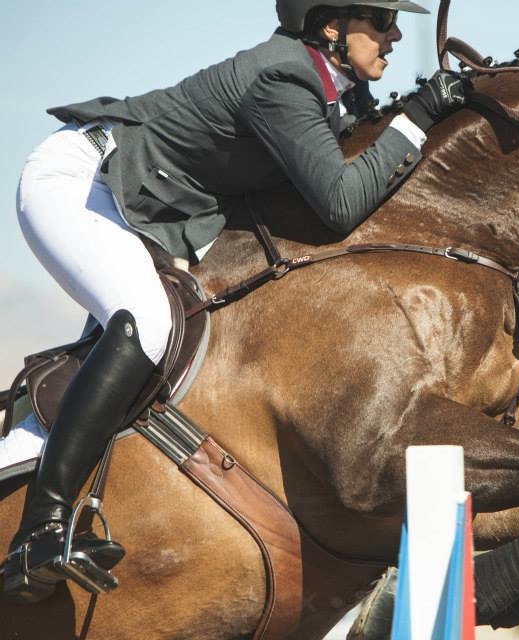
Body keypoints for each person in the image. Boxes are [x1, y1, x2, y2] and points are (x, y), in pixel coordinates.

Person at [4, 0, 468, 604]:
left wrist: (423, 110)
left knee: (137, 341)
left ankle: (24, 459)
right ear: (332, 27)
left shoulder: (326, 86)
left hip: (139, 202)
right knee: (145, 323)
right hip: (80, 184)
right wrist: (419, 117)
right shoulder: (286, 77)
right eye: (380, 22)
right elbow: (340, 201)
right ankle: (41, 529)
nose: (396, 32)